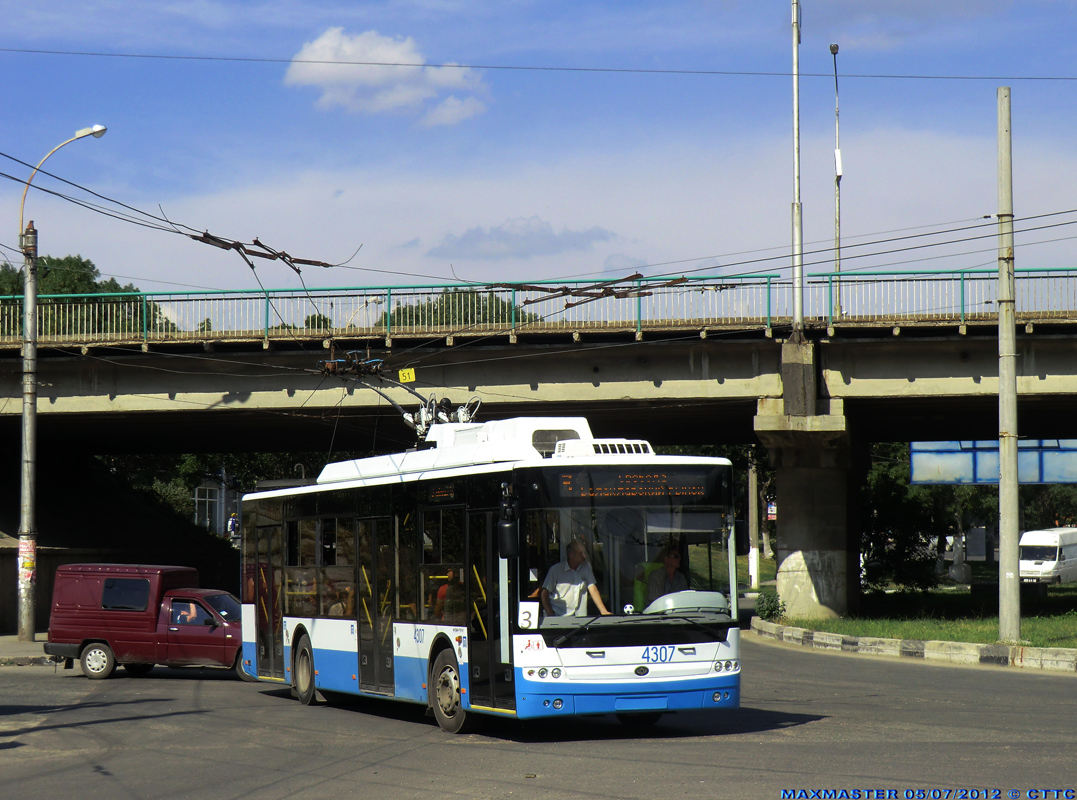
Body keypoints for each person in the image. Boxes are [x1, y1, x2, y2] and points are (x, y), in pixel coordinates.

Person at [540, 540, 611, 617]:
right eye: (581, 553)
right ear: (571, 555)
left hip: (579, 618)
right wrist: (550, 614)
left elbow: (593, 589)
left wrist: (604, 611)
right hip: (559, 616)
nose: (584, 556)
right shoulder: (556, 570)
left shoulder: (586, 567)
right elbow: (544, 593)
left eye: (584, 552)